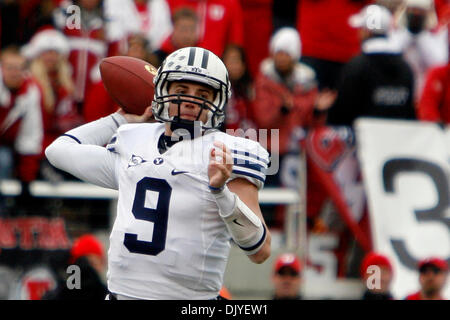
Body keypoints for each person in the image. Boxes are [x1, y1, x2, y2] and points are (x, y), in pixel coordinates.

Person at [45, 46, 271, 300]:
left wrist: (221, 193)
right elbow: (58, 151)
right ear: (162, 90)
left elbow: (259, 250)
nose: (190, 100)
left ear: (217, 101)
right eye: (181, 90)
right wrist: (120, 119)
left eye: (203, 93)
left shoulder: (226, 152)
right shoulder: (132, 141)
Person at [326, 4, 416, 127]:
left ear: (367, 32)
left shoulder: (356, 67)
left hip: (363, 143)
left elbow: (342, 114)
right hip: (397, 142)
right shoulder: (406, 68)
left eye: (361, 29)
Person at [0, 46, 44, 205]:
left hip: (7, 149)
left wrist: (27, 179)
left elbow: (30, 135)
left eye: (19, 68)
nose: (14, 72)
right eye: (10, 67)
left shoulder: (30, 92)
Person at [390, 0, 448, 101]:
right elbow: (391, 56)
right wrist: (409, 34)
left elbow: (439, 62)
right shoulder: (396, 33)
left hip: (422, 93)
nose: (416, 14)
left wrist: (420, 36)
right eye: (413, 10)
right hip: (398, 91)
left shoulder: (434, 36)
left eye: (420, 11)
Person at [43, 234, 108, 300]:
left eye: (93, 263)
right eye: (86, 263)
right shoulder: (60, 293)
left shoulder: (106, 294)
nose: (88, 270)